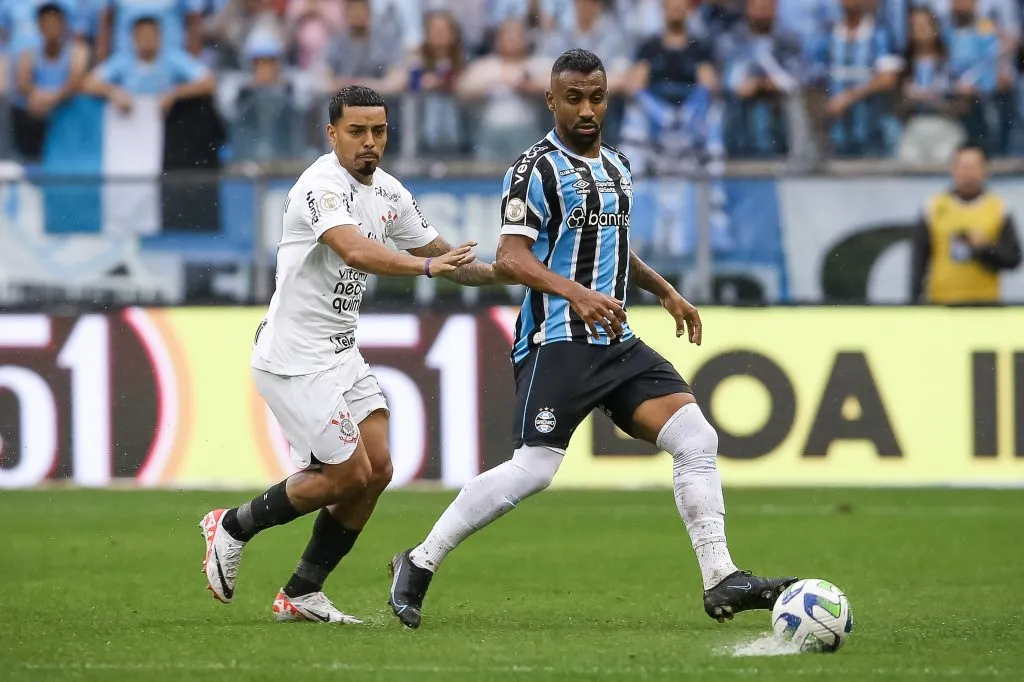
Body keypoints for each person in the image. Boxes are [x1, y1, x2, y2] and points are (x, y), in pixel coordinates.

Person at [388, 48, 797, 630]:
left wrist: (664, 290)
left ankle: (720, 577)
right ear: (550, 100)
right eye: (574, 98)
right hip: (556, 338)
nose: (586, 110)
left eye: (596, 98)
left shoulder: (618, 166)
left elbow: (614, 245)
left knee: (695, 437)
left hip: (615, 340)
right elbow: (511, 257)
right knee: (534, 469)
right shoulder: (534, 170)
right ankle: (419, 561)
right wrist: (575, 294)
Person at [199, 85, 496, 624]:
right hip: (294, 359)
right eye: (356, 131)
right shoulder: (320, 186)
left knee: (377, 469)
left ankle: (302, 591)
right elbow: (356, 250)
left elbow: (446, 256)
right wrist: (428, 268)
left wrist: (519, 274)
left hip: (340, 353)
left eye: (378, 131)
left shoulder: (389, 192)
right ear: (332, 133)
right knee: (346, 475)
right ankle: (233, 525)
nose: (369, 142)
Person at [911, 143, 1021, 304]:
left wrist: (985, 248)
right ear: (953, 169)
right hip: (941, 304)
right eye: (963, 167)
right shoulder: (933, 208)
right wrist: (914, 301)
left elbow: (1013, 259)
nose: (968, 173)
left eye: (973, 167)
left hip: (986, 305)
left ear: (985, 170)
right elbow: (919, 261)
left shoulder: (999, 209)